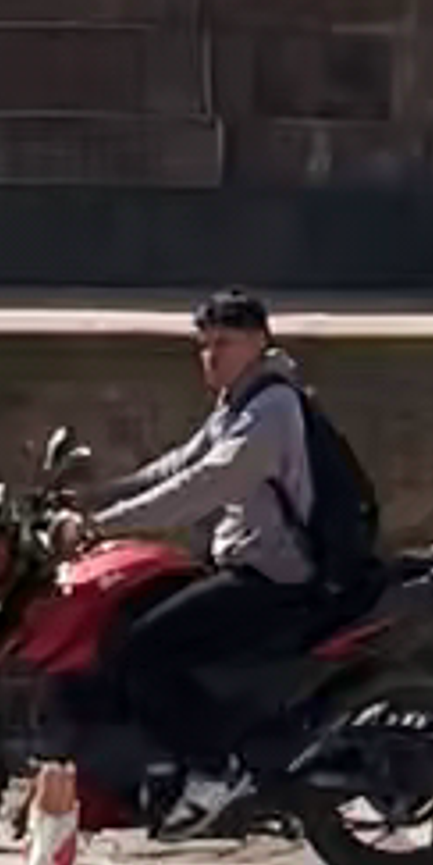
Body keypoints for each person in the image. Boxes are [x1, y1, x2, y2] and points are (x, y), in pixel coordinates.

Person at [81, 295, 324, 831]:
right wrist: (95, 496)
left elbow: (205, 484)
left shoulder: (271, 409)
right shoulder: (238, 401)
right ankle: (154, 761)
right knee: (122, 616)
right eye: (204, 346)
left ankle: (213, 770)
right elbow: (179, 463)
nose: (211, 357)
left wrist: (101, 525)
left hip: (274, 578)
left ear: (259, 341)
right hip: (240, 563)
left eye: (225, 344)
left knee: (145, 650)